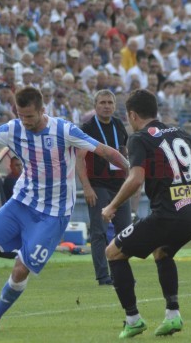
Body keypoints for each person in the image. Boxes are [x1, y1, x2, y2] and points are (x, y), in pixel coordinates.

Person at [0, 86, 129, 333]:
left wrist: (132, 172)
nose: (25, 121)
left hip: (53, 214)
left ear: (42, 110)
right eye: (21, 115)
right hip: (21, 202)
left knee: (20, 269)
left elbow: (105, 151)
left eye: (29, 116)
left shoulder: (63, 129)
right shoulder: (13, 128)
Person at [101, 89, 191, 338]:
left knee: (112, 253)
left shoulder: (139, 138)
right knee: (162, 252)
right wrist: (184, 183)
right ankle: (172, 315)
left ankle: (132, 319)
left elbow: (136, 179)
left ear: (132, 115)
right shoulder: (177, 131)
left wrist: (112, 206)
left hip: (167, 215)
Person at [76, 89, 131, 286]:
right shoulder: (88, 127)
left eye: (110, 102)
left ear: (115, 106)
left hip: (119, 185)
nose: (106, 106)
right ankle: (102, 275)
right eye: (102, 102)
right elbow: (80, 159)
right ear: (95, 105)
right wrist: (87, 187)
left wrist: (129, 179)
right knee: (99, 231)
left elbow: (124, 153)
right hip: (98, 185)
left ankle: (121, 273)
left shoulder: (119, 125)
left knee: (124, 230)